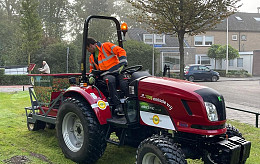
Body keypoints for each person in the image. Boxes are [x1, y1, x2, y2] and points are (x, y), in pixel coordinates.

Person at [86, 37, 128, 113]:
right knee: (110, 81)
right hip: (106, 74)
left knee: (125, 82)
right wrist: (91, 76)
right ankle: (118, 105)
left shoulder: (106, 46)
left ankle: (129, 103)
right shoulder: (91, 57)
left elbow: (121, 51)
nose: (88, 51)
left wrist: (123, 63)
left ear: (91, 45)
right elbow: (92, 69)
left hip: (118, 71)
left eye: (88, 49)